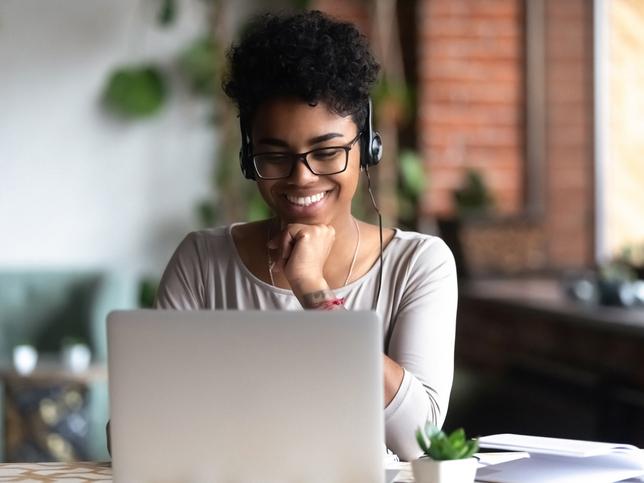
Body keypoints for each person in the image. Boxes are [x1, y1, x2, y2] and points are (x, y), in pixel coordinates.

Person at [154, 10, 457, 461]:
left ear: (367, 148)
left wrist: (314, 292)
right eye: (275, 156)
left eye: (327, 152)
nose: (302, 177)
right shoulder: (202, 260)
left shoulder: (418, 263)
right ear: (247, 157)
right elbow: (139, 432)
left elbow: (421, 439)